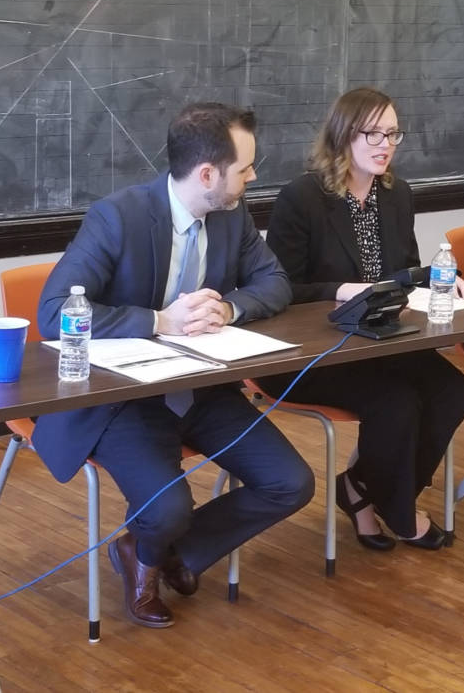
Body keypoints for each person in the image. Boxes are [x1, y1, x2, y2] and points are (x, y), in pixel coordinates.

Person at [34, 102, 314, 629]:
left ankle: (167, 553)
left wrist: (230, 307)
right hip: (124, 401)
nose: (253, 177)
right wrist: (160, 320)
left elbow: (276, 283)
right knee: (168, 508)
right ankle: (148, 556)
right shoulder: (118, 217)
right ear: (208, 174)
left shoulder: (233, 216)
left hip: (203, 388)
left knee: (290, 482)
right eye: (245, 168)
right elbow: (54, 313)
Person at [258, 87, 464, 550]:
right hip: (317, 351)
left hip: (380, 338)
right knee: (396, 403)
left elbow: (406, 269)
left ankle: (362, 488)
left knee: (452, 390)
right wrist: (341, 290)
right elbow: (279, 289)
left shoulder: (396, 195)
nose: (386, 144)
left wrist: (442, 279)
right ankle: (398, 510)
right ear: (343, 135)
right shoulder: (302, 198)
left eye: (393, 133)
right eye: (373, 133)